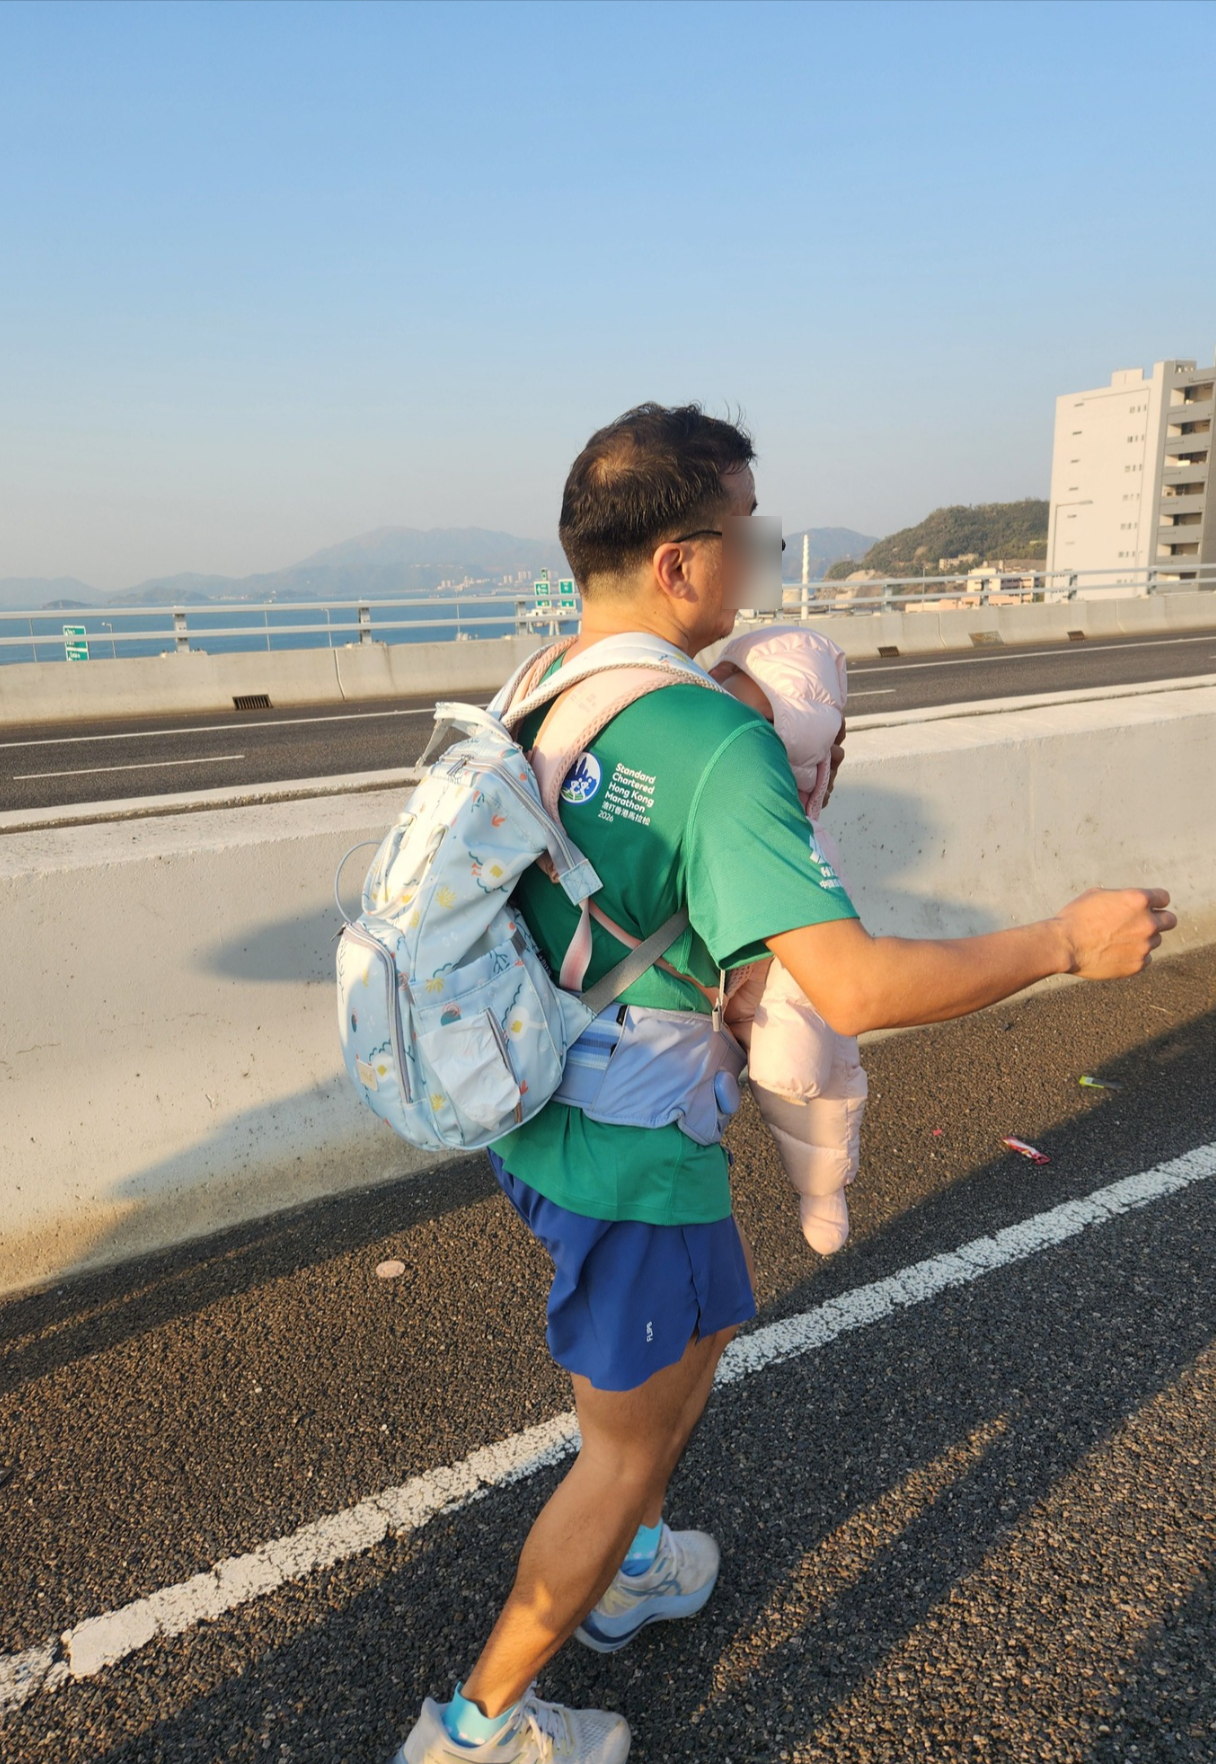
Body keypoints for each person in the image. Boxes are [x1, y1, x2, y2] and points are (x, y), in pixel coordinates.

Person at [390, 404, 1175, 1764]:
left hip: (536, 1108)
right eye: (745, 536)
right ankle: (474, 1729)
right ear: (684, 560)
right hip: (625, 1149)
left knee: (691, 1355)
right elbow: (856, 986)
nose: (756, 564)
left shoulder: (543, 685)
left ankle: (626, 1569)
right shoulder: (708, 742)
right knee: (621, 1445)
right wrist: (1061, 941)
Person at [713, 624, 865, 1255]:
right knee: (817, 1054)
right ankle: (822, 1191)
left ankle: (822, 1189)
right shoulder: (807, 707)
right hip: (785, 866)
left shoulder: (736, 694)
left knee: (801, 1053)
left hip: (766, 874)